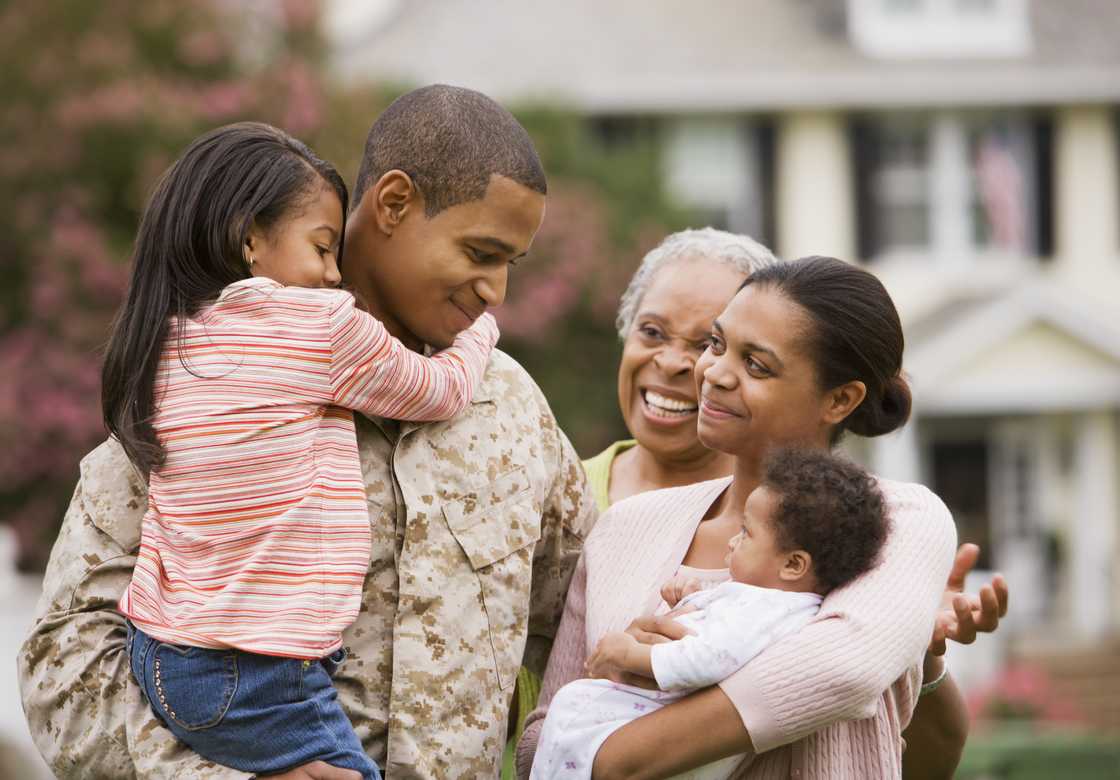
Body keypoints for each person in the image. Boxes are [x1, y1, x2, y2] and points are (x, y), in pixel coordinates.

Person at [19, 85, 598, 780]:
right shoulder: (211, 375)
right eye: (480, 253)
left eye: (511, 264)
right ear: (392, 203)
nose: (496, 292)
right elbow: (63, 666)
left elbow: (583, 624)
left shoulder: (511, 407)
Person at [104, 122, 506, 780]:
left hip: (160, 656)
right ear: (249, 239)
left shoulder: (166, 340)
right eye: (321, 247)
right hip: (255, 670)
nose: (333, 273)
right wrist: (480, 330)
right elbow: (440, 391)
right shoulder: (318, 325)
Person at [566, 229, 1009, 780]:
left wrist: (622, 737)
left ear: (840, 399)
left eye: (757, 366)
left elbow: (844, 671)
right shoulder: (622, 529)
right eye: (719, 344)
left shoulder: (896, 522)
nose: (713, 373)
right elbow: (544, 732)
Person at [531, 448, 891, 780]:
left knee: (573, 716)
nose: (733, 540)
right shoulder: (762, 599)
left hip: (664, 729)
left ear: (794, 564)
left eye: (747, 533)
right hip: (658, 725)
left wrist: (631, 655)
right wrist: (686, 603)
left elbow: (707, 659)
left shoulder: (772, 609)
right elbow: (714, 634)